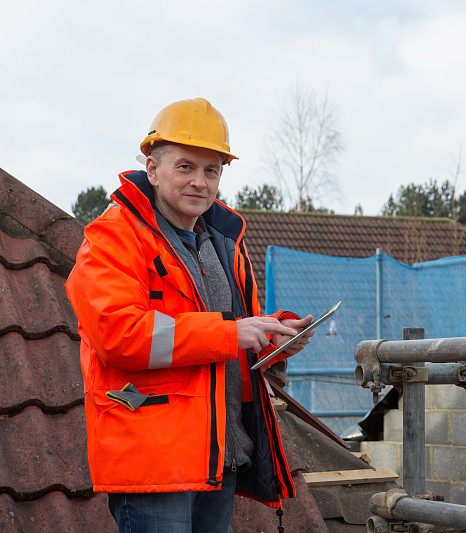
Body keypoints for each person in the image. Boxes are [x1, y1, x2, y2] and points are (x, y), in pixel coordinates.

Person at [66, 98, 312, 532]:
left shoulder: (222, 241)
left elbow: (237, 335)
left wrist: (275, 336)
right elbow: (119, 334)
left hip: (218, 451)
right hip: (155, 457)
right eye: (185, 167)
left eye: (211, 170)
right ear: (153, 168)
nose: (200, 182)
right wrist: (231, 333)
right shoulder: (113, 236)